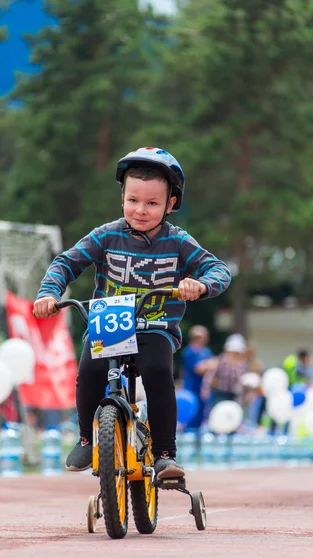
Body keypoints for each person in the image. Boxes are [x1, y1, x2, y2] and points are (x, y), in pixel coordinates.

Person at [33, 147, 231, 480]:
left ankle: (166, 453)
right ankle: (86, 437)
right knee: (90, 372)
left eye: (152, 203)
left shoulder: (178, 241)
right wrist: (48, 293)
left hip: (156, 326)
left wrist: (200, 284)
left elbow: (219, 269)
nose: (140, 210)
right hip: (110, 321)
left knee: (156, 371)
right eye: (133, 200)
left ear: (170, 204)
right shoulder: (106, 235)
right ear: (122, 197)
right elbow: (65, 262)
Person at [180, 325, 215, 432]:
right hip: (192, 389)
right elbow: (198, 368)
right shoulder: (189, 351)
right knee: (192, 416)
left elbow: (213, 366)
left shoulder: (206, 351)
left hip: (203, 390)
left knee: (203, 416)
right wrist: (209, 364)